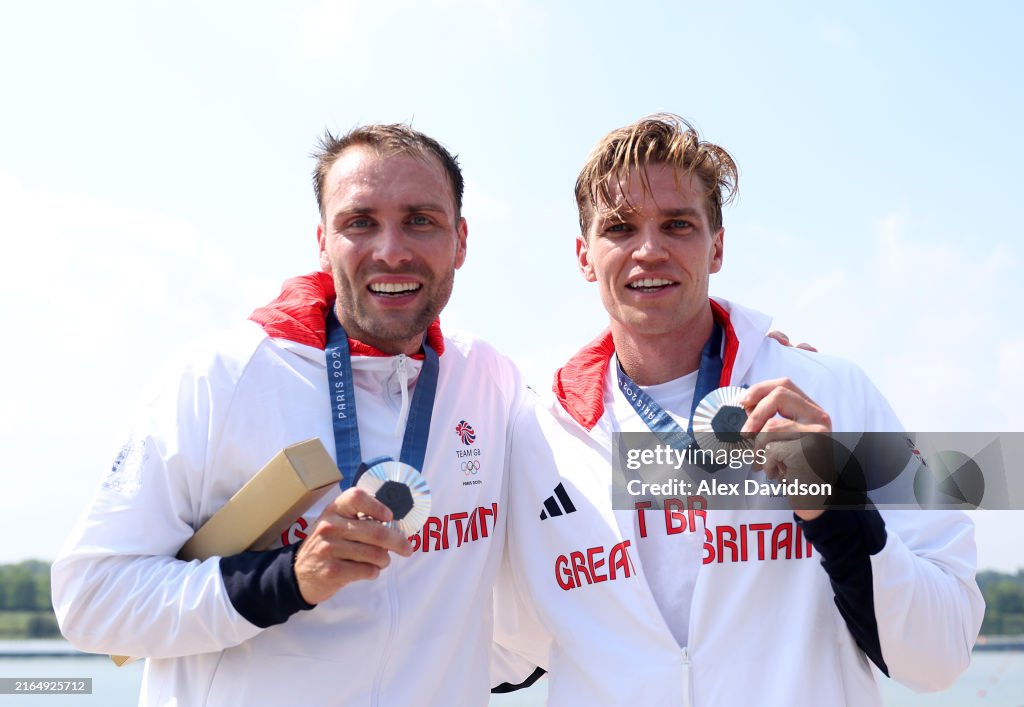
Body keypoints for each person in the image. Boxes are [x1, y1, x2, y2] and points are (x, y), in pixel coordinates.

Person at [493, 114, 985, 706]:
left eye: (678, 225)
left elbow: (944, 653)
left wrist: (834, 508)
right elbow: (498, 646)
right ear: (584, 256)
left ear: (717, 245)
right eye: (620, 228)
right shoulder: (539, 434)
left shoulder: (836, 390)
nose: (649, 250)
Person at [51, 124, 524, 705]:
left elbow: (598, 519)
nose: (392, 249)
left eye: (421, 220)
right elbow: (92, 602)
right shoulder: (219, 377)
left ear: (462, 240)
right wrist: (290, 579)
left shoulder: (492, 382)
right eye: (360, 223)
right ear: (323, 242)